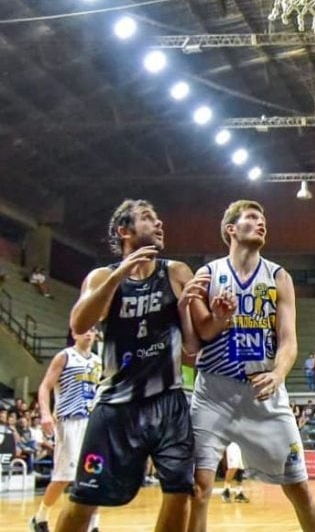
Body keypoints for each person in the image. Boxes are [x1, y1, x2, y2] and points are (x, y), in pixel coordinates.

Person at [54, 199, 199, 532]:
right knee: (84, 499)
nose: (159, 223)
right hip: (116, 406)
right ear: (125, 231)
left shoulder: (176, 272)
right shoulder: (102, 276)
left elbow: (193, 347)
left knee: (179, 493)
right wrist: (119, 274)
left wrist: (208, 314)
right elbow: (79, 322)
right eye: (149, 218)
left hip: (169, 401)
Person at [185, 200, 315, 532]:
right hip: (213, 393)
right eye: (251, 218)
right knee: (198, 488)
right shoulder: (208, 274)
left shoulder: (278, 276)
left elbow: (288, 339)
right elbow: (201, 335)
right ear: (230, 229)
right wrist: (219, 317)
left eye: (263, 219)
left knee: (299, 487)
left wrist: (278, 373)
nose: (261, 223)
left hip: (263, 394)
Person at [31, 328, 102, 532]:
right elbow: (45, 387)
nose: (89, 333)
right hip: (69, 421)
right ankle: (39, 517)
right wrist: (45, 413)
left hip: (92, 422)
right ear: (75, 333)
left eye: (92, 330)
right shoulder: (64, 356)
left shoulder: (97, 361)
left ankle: (94, 526)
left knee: (94, 476)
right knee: (64, 477)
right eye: (84, 330)